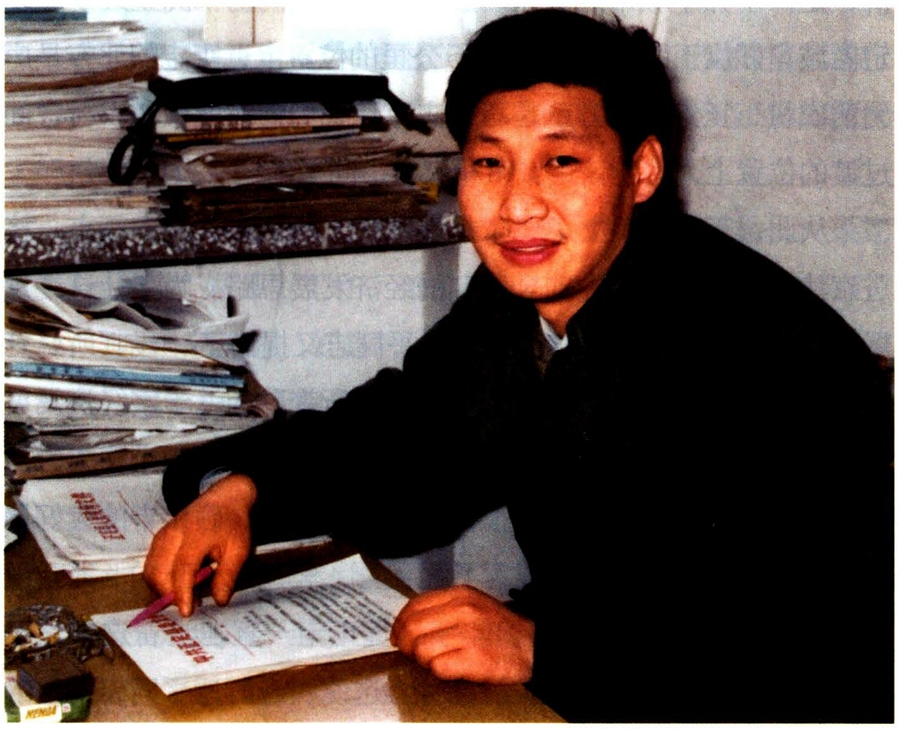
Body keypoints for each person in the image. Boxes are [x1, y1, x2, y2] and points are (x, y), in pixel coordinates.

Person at [144, 9, 893, 723]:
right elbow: (410, 438)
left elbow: (831, 646)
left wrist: (546, 648)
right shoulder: (525, 297)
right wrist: (242, 489)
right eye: (490, 163)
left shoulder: (748, 344)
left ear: (640, 171)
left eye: (561, 161)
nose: (518, 204)